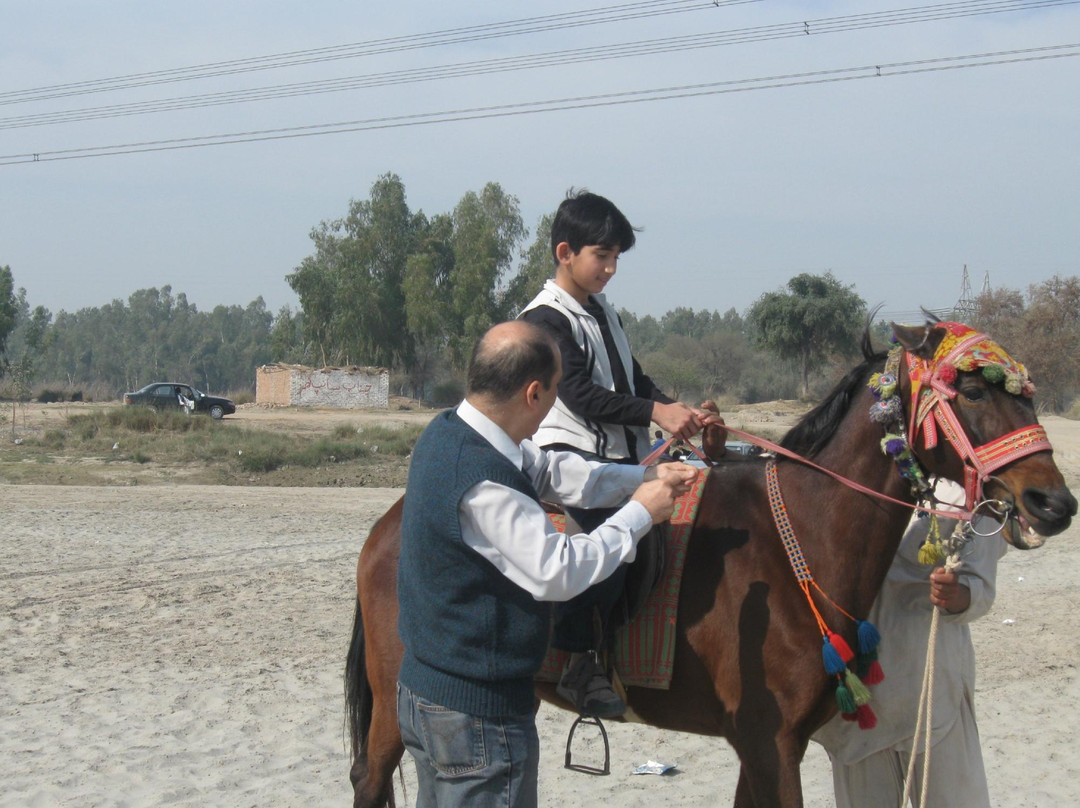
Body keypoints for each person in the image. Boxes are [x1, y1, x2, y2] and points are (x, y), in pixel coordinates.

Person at [396, 320, 698, 808]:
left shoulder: (455, 431)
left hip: (429, 696)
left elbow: (554, 471)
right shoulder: (482, 481)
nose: (557, 401)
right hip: (476, 717)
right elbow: (556, 572)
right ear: (533, 393)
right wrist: (642, 512)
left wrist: (642, 476)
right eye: (556, 390)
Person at [519, 189, 724, 717]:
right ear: (565, 252)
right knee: (615, 534)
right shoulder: (546, 319)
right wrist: (656, 415)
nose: (611, 269)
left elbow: (633, 380)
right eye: (601, 256)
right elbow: (581, 394)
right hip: (566, 458)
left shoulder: (601, 310)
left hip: (615, 457)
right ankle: (578, 664)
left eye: (616, 259)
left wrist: (674, 407)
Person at [813, 479, 1007, 808]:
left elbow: (980, 586)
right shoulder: (844, 471)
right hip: (860, 694)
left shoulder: (968, 492)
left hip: (930, 684)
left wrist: (957, 595)